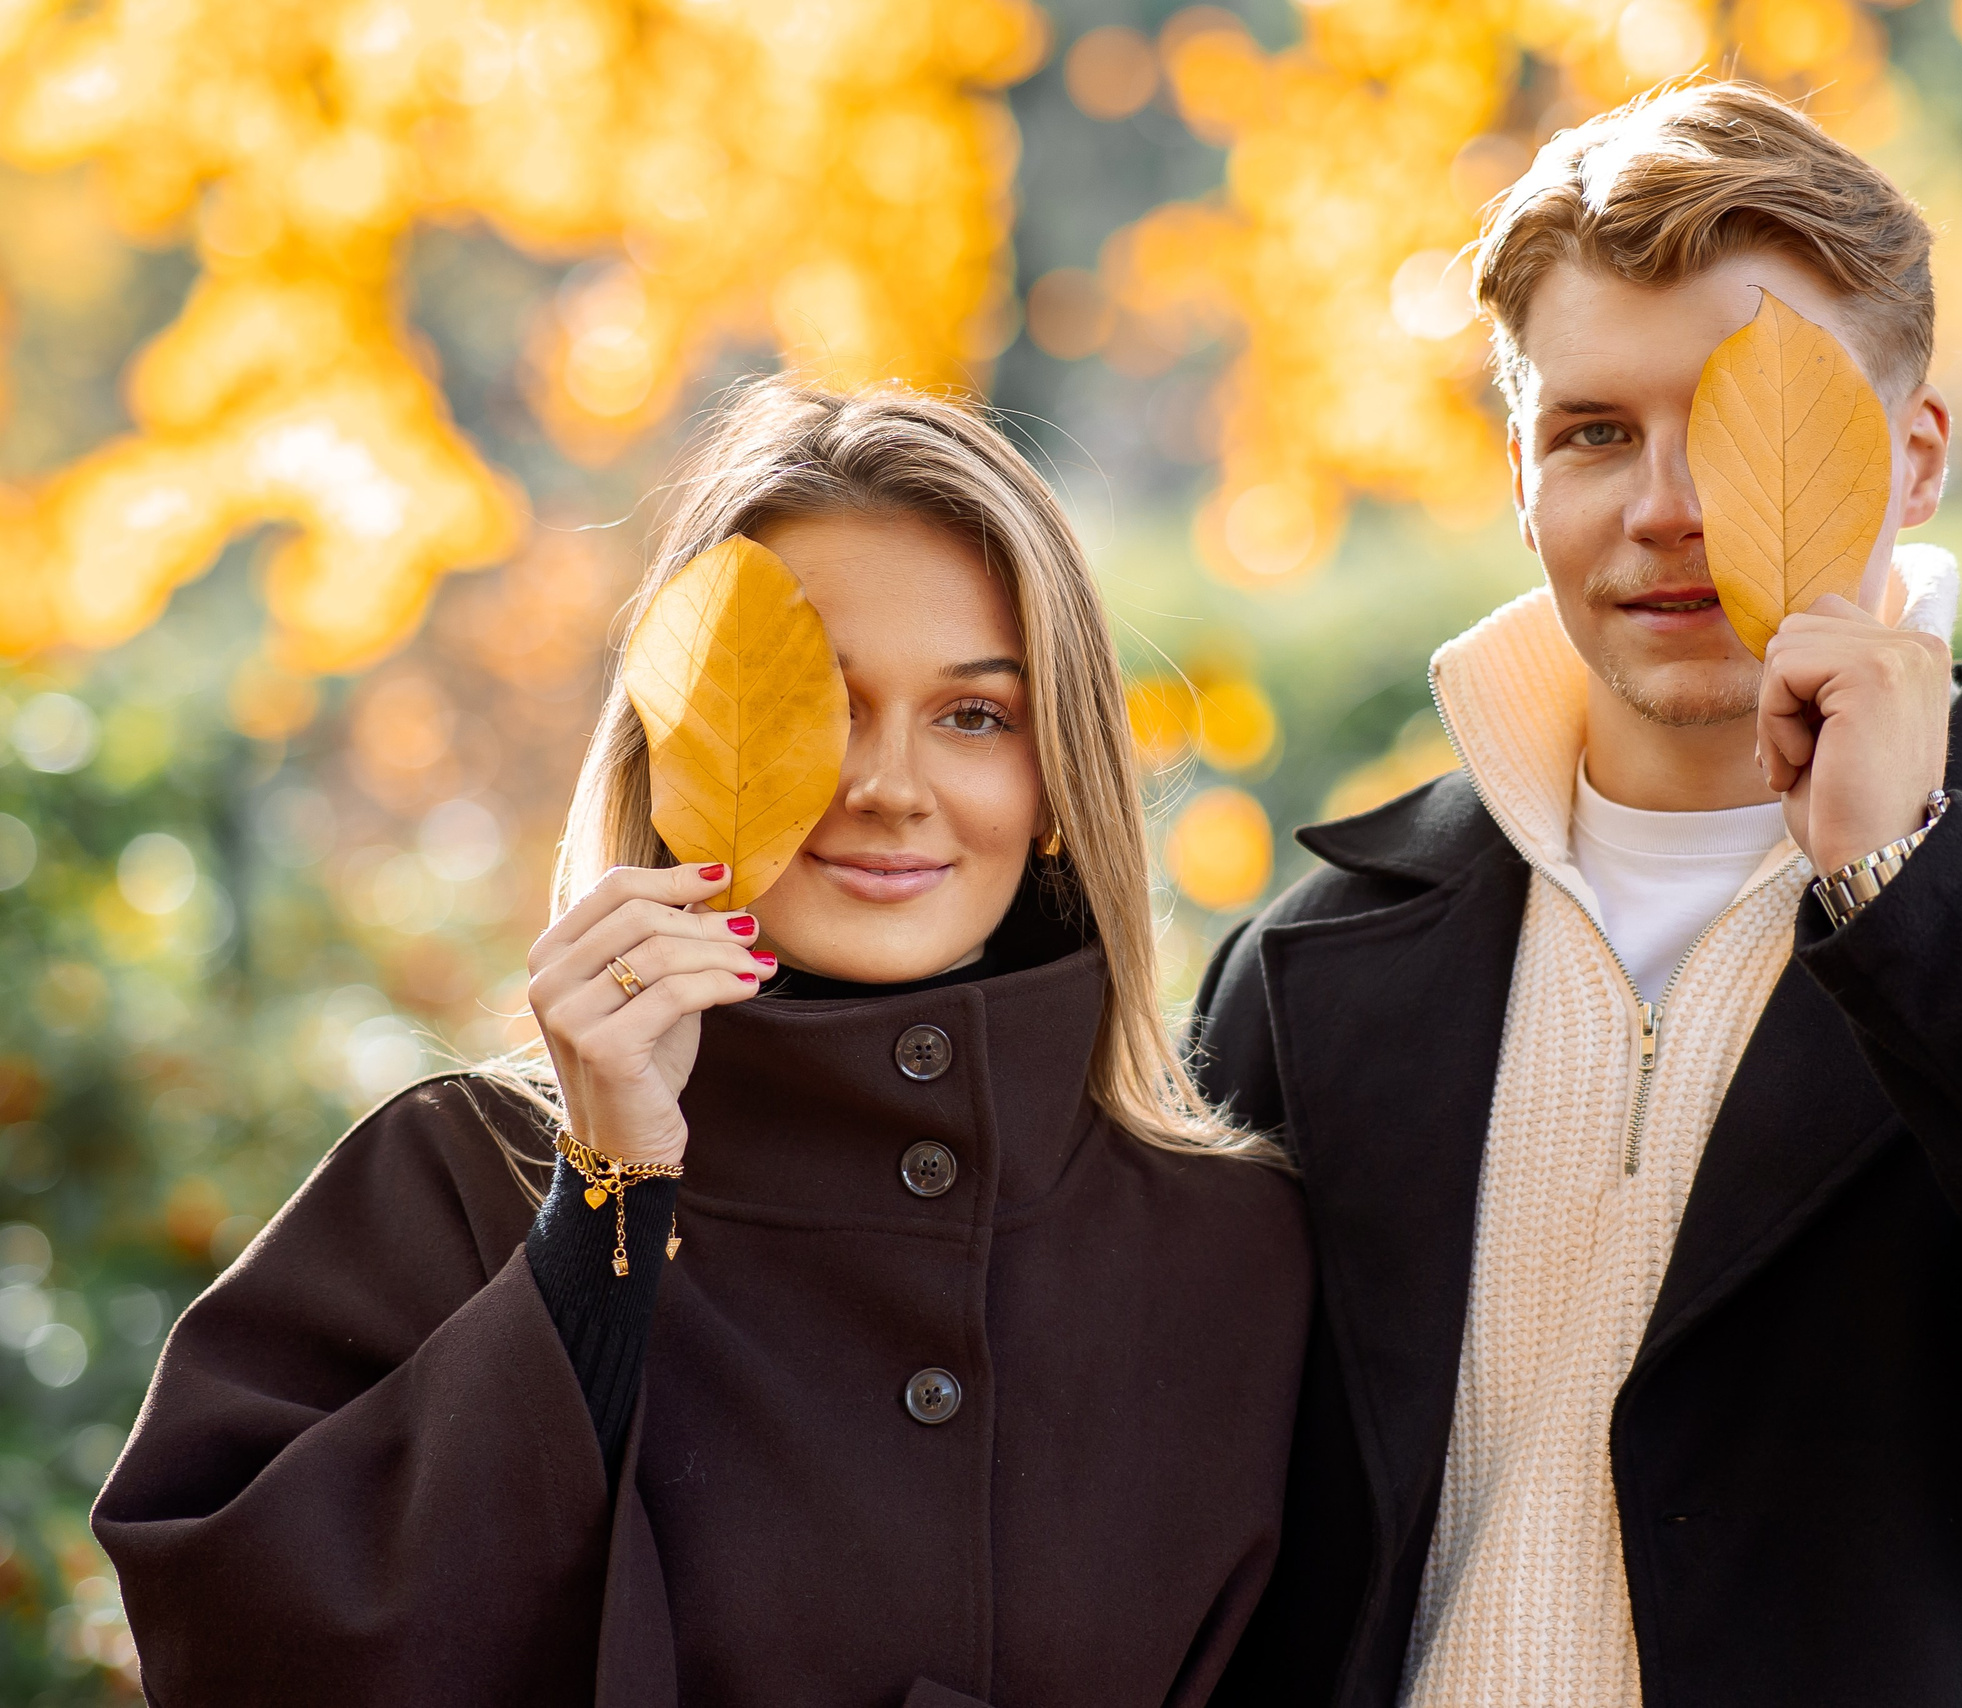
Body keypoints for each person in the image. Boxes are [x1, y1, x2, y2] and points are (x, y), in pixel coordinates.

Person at [1193, 82, 1962, 1708]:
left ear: (1915, 458)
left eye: (1745, 419)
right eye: (1593, 433)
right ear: (1521, 479)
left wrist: (1909, 886)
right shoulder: (1315, 966)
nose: (1669, 507)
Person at [95, 382, 1312, 1708]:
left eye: (975, 716)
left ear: (1057, 779)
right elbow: (237, 1655)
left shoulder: (1227, 1251)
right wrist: (601, 1210)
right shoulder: (455, 1179)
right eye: (819, 706)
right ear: (681, 757)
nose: (889, 784)